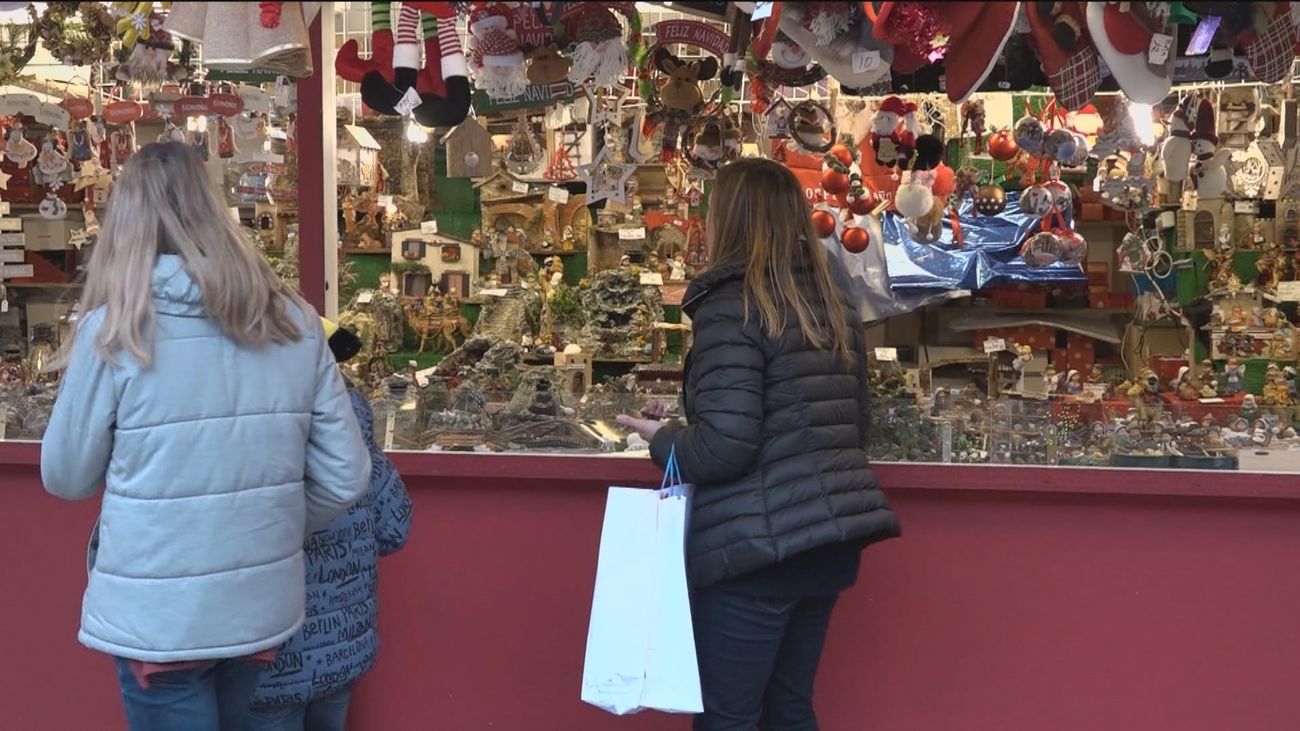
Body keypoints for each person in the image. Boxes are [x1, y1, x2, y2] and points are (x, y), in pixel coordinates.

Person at [40, 142, 371, 731]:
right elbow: (347, 473)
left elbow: (66, 478)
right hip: (256, 605)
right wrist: (262, 527)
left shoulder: (115, 332)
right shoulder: (294, 320)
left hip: (159, 616)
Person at [618, 158, 901, 731]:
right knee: (788, 709)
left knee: (728, 717)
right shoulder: (831, 298)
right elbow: (854, 422)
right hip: (827, 540)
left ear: (729, 219)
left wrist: (662, 439)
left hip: (755, 549)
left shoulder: (731, 302)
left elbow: (726, 447)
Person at [246, 321, 413, 731]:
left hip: (269, 658)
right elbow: (395, 528)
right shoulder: (359, 442)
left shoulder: (243, 439)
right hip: (341, 652)